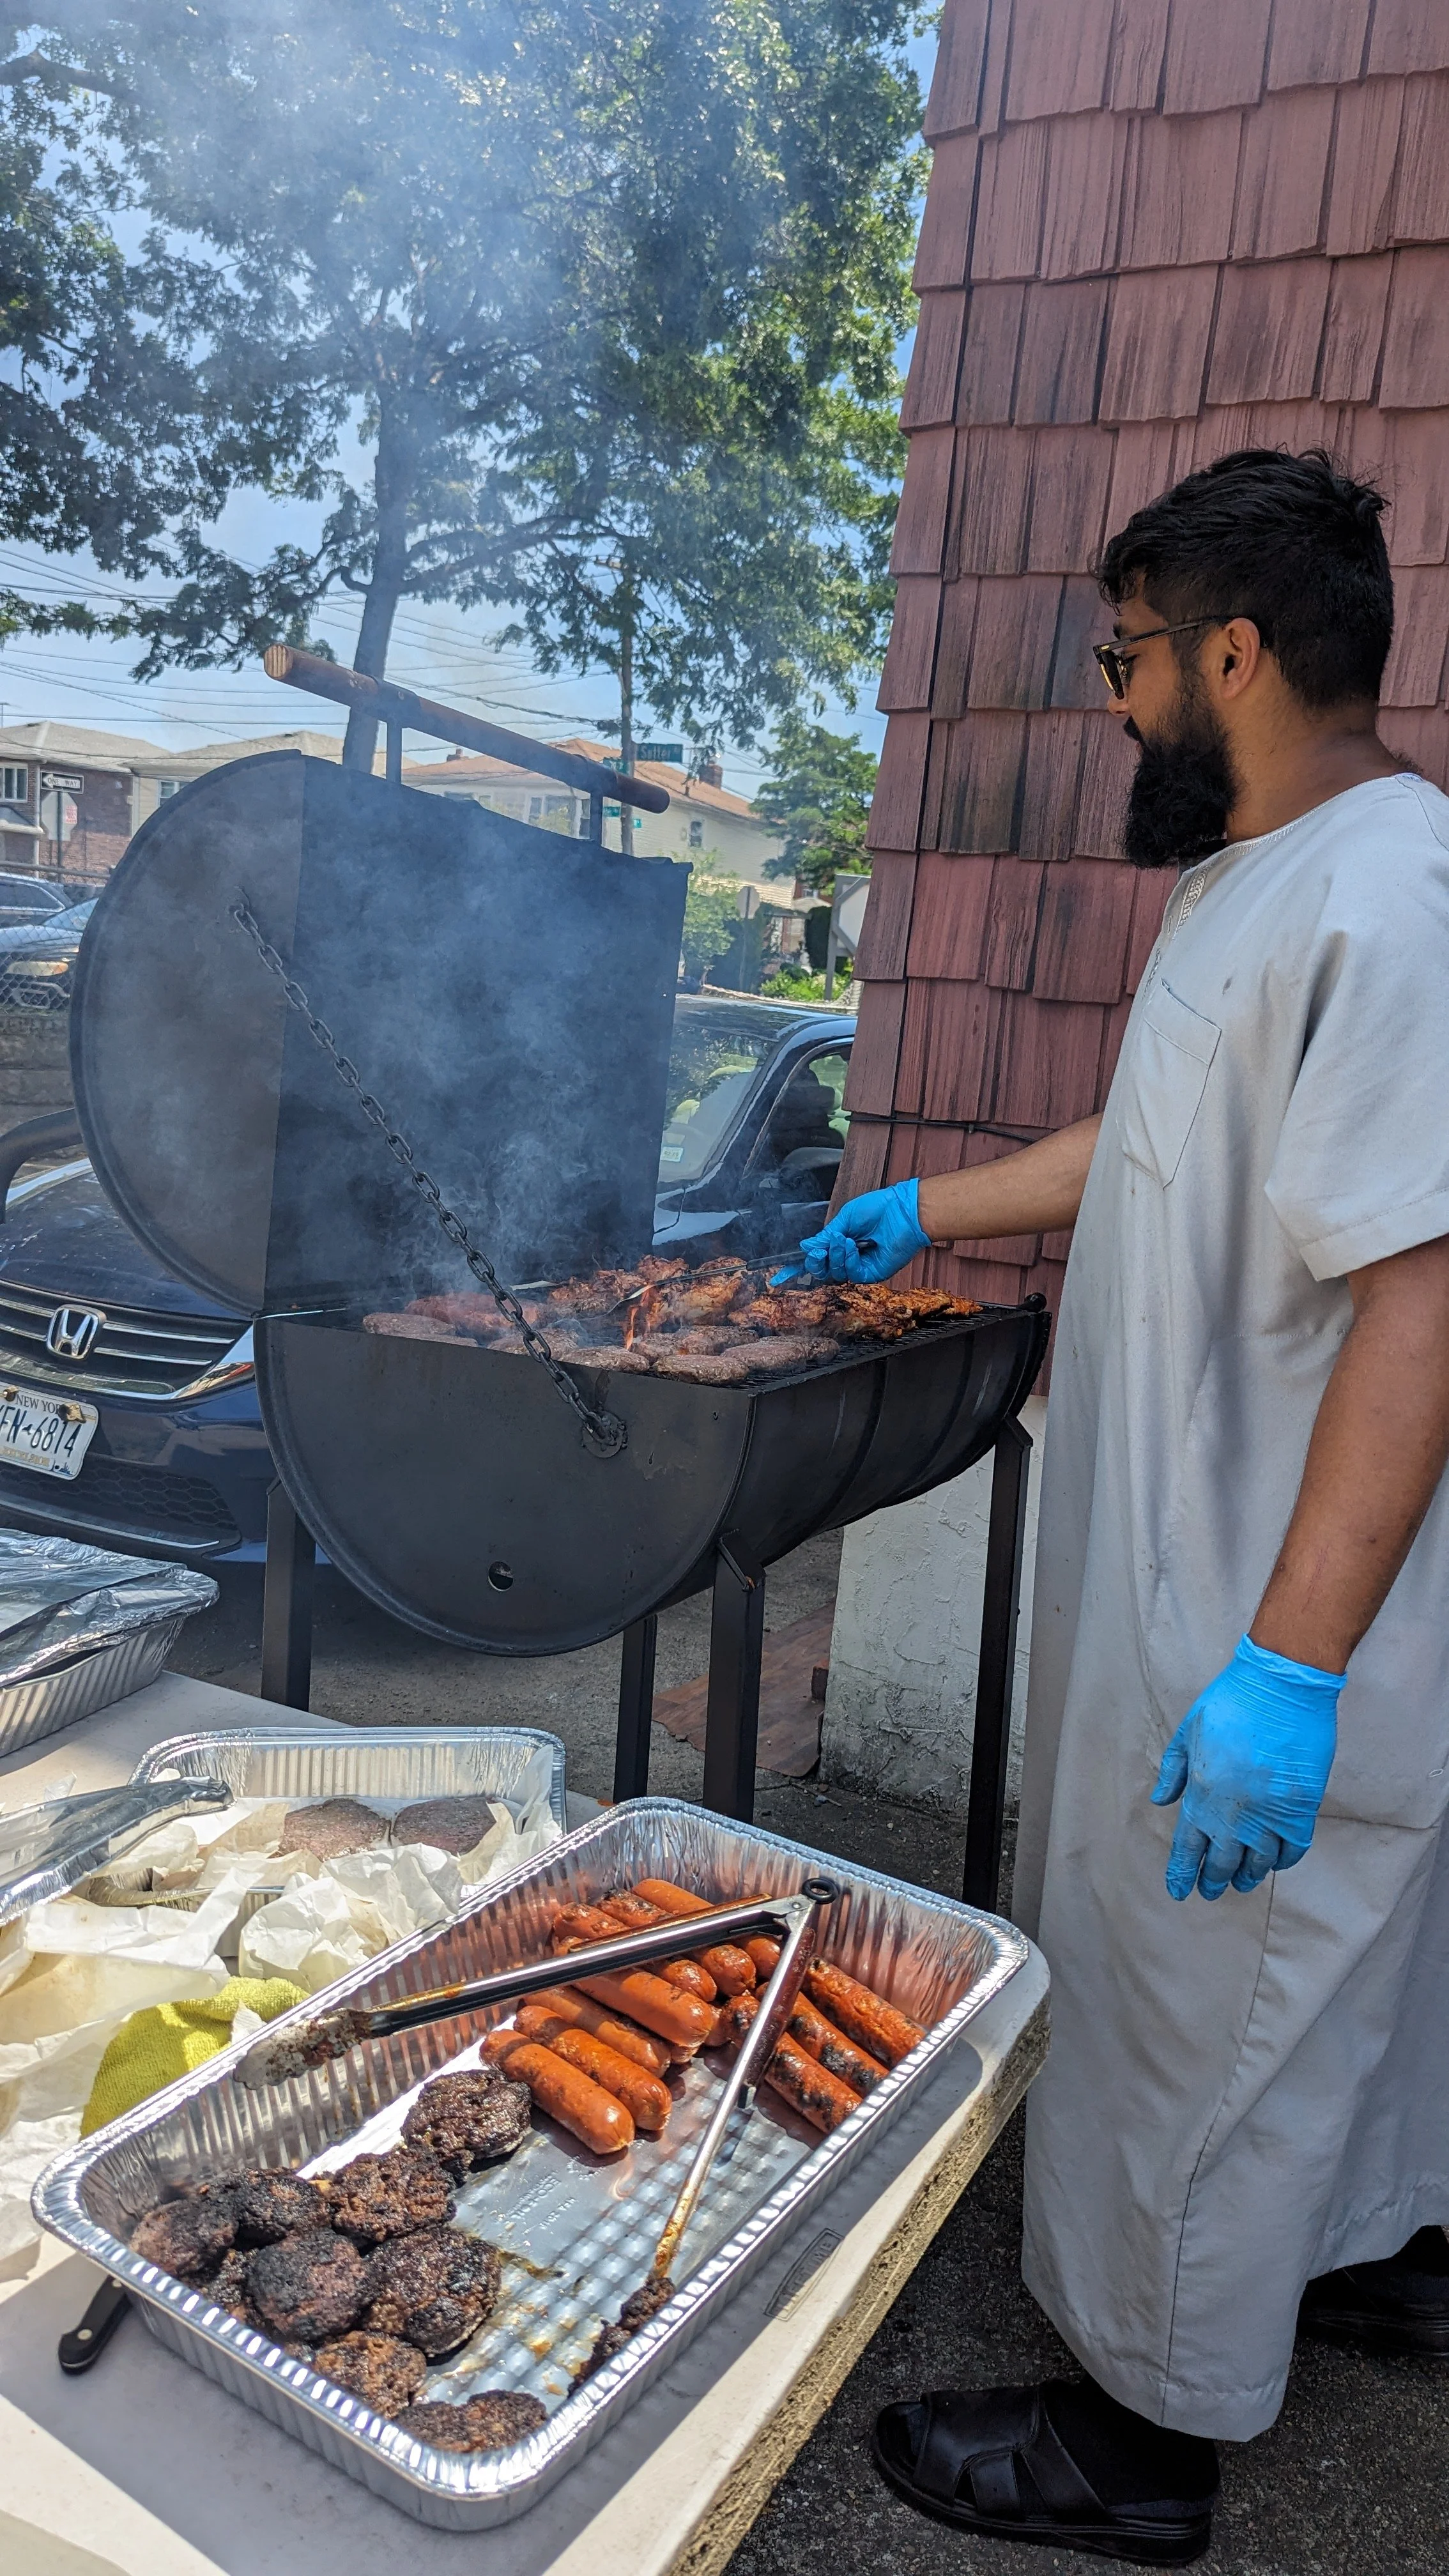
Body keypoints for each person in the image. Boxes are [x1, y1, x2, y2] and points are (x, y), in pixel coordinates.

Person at [793, 449, 1449, 2564]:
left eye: (1125, 656)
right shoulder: (1260, 877)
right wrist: (924, 1207)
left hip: (1265, 1595)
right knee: (1311, 2009)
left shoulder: (1390, 898)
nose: (1113, 699)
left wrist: (1286, 1662)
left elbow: (1427, 1287)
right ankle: (1354, 2267)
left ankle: (1139, 2443)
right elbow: (1150, 1134)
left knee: (1215, 1999)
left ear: (1231, 651)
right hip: (1191, 1553)